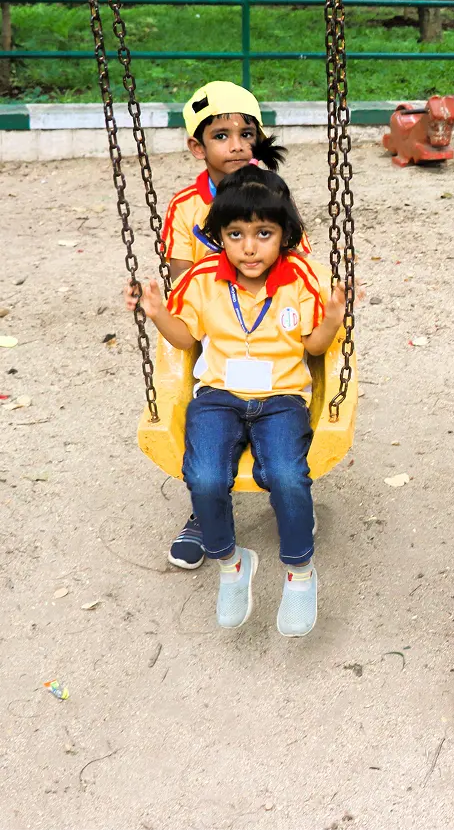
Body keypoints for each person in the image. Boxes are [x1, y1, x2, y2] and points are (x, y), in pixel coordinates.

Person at [126, 166, 346, 636]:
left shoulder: (301, 279)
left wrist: (331, 320)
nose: (249, 247)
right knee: (204, 475)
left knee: (287, 475)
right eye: (235, 234)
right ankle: (231, 562)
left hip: (281, 397)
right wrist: (158, 314)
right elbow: (186, 340)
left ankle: (299, 571)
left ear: (284, 235)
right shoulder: (203, 278)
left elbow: (313, 346)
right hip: (218, 397)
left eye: (263, 234)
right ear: (220, 236)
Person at [160, 81, 309, 570]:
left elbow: (298, 266)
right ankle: (205, 514)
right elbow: (181, 280)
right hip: (216, 328)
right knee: (208, 446)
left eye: (247, 134)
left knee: (281, 447)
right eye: (221, 136)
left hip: (272, 332)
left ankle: (288, 498)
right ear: (197, 147)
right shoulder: (187, 206)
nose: (238, 145)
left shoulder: (270, 195)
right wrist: (219, 284)